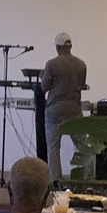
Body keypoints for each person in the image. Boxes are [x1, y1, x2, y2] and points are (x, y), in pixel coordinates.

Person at [40, 32, 88, 183]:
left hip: (55, 110)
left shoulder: (51, 64)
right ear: (70, 46)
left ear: (58, 48)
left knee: (53, 147)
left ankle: (56, 180)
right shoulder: (81, 65)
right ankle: (85, 178)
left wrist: (43, 77)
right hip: (74, 109)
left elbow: (44, 87)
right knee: (81, 145)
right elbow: (81, 85)